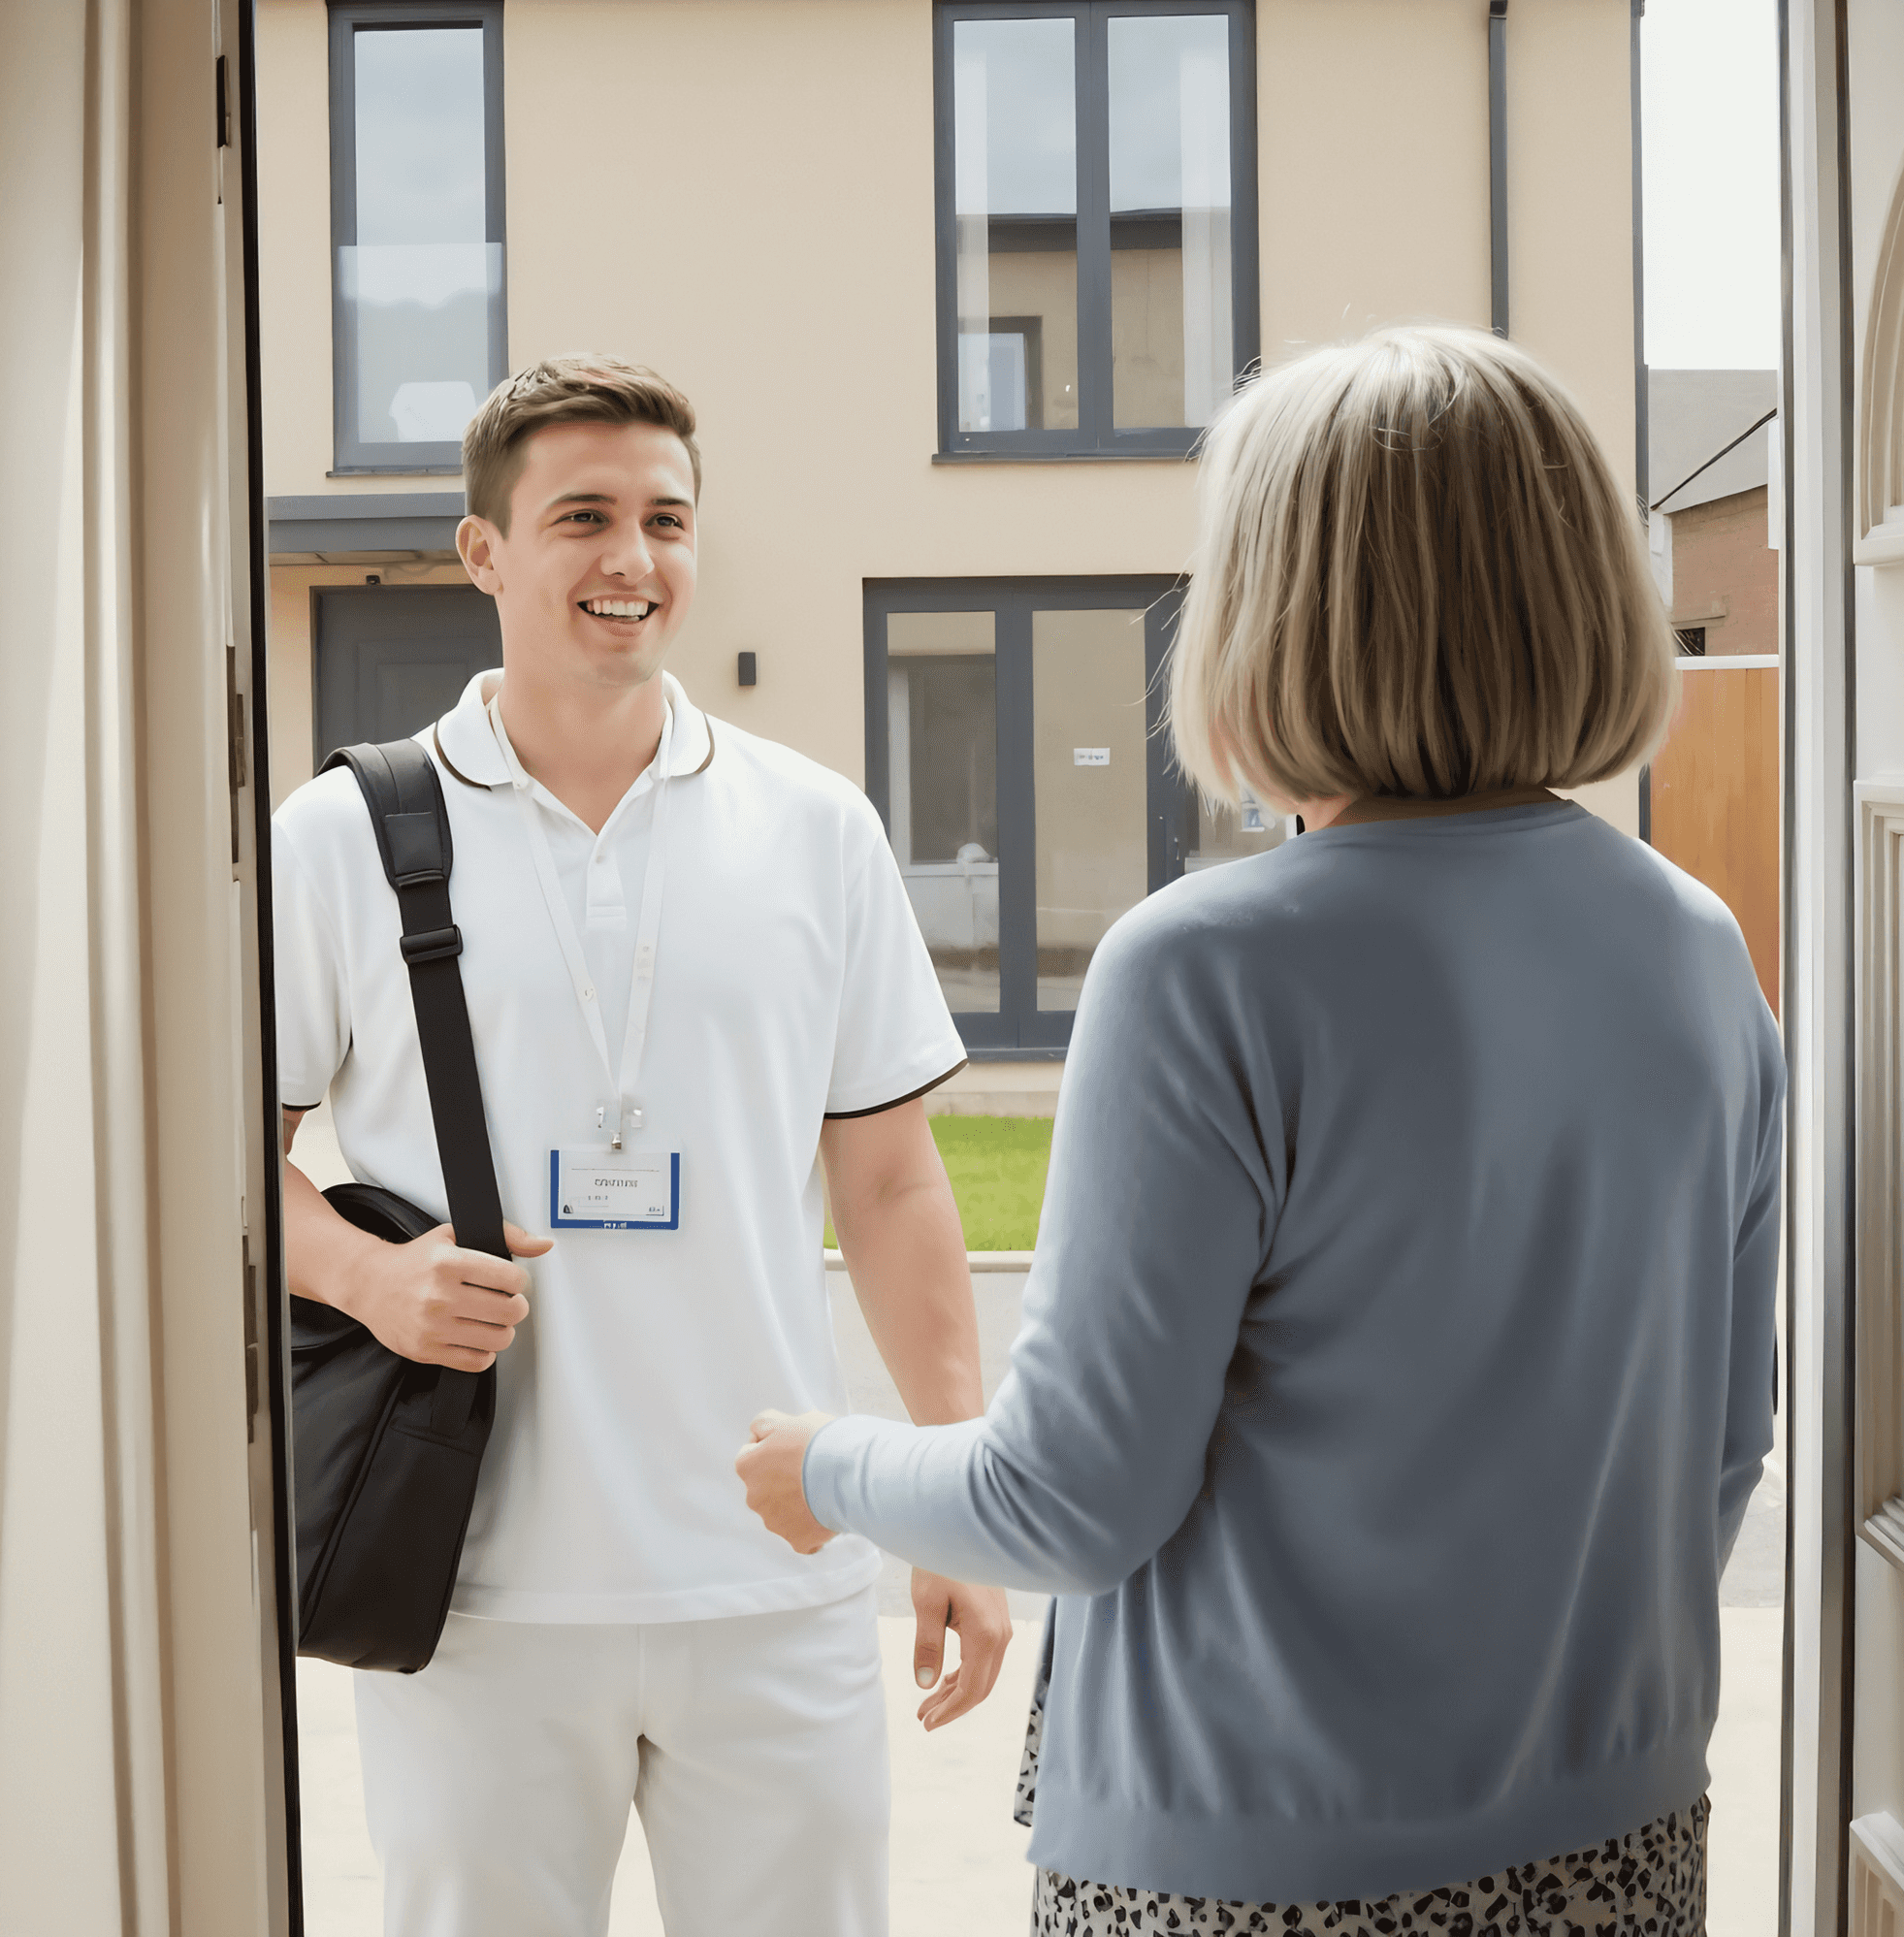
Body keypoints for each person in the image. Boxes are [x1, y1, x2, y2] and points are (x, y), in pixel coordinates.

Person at [738, 324, 1774, 1931]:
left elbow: (1070, 1500)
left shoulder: (1206, 968)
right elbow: (1721, 1441)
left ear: (1278, 610)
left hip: (1259, 1870)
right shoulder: (1695, 946)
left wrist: (832, 1468)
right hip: (1623, 1837)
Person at [274, 353, 1010, 1937]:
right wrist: (367, 1277)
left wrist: (950, 1491)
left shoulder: (815, 826)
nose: (634, 562)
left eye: (666, 521)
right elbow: (218, 1166)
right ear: (484, 551)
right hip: (474, 1589)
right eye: (585, 518)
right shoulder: (339, 836)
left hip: (777, 1572)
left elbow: (890, 1186)